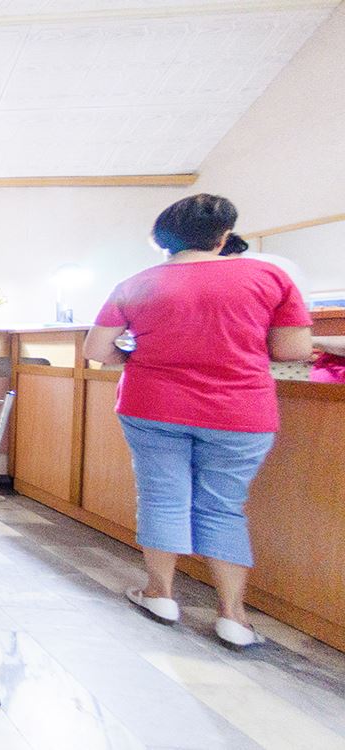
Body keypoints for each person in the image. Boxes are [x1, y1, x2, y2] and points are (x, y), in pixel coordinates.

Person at [83, 194, 312, 649]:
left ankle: (160, 594)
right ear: (224, 236)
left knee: (161, 499)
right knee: (223, 507)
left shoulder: (136, 283)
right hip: (240, 410)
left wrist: (139, 356)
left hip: (153, 405)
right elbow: (292, 350)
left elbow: (97, 350)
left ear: (161, 240)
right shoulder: (268, 276)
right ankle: (233, 617)